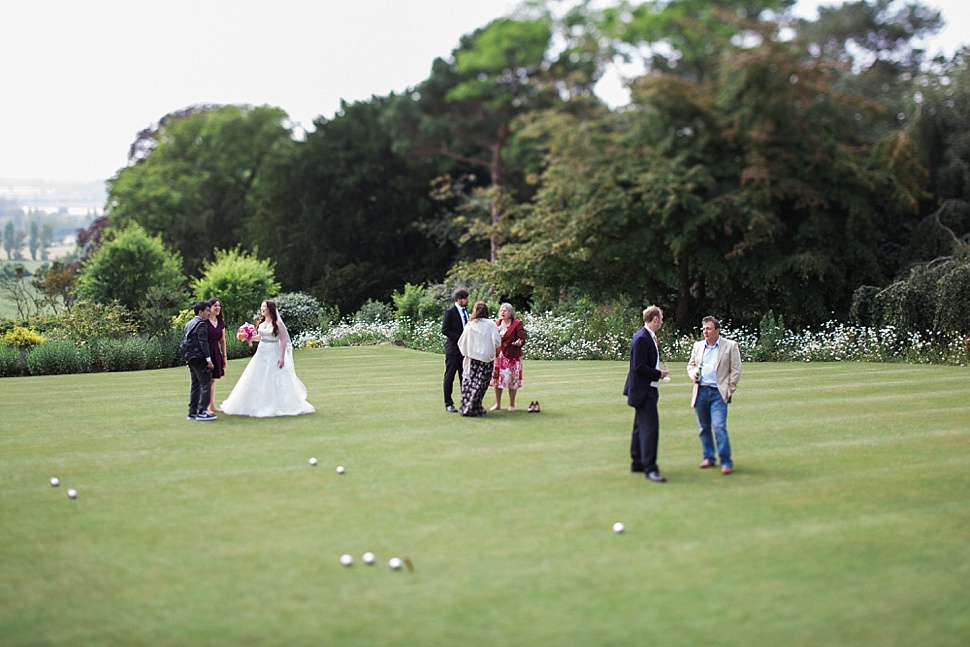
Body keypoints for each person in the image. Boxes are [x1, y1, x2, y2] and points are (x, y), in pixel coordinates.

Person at [220, 299, 315, 418]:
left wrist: (281, 357)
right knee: (256, 376)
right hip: (261, 352)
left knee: (273, 377)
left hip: (273, 351)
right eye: (261, 307)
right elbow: (260, 336)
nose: (262, 309)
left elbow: (283, 340)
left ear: (270, 308)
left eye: (264, 307)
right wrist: (249, 337)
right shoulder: (262, 322)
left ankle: (277, 404)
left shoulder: (277, 323)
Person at [687, 316, 742, 474]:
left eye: (709, 328)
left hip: (718, 393)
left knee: (719, 427)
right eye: (704, 329)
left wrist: (729, 389)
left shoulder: (730, 346)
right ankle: (709, 457)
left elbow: (736, 370)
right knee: (704, 428)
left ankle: (726, 461)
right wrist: (693, 375)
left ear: (717, 330)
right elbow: (691, 365)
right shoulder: (698, 346)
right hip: (701, 391)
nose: (705, 331)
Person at [623, 306, 668, 482]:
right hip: (644, 389)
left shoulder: (647, 337)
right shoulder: (642, 338)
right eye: (661, 318)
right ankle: (650, 468)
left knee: (639, 426)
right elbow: (639, 367)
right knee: (650, 428)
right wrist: (659, 374)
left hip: (643, 388)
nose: (662, 322)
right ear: (655, 319)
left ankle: (637, 461)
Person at [457, 301, 502, 417]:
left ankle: (467, 406)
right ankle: (473, 406)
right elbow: (497, 341)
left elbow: (462, 341)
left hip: (472, 358)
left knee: (470, 382)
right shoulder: (491, 324)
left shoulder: (470, 324)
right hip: (485, 358)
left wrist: (467, 351)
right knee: (481, 384)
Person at [489, 303, 526, 412]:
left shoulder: (517, 323)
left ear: (511, 312)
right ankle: (498, 404)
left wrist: (519, 343)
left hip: (512, 357)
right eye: (501, 310)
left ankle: (512, 404)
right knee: (497, 381)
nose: (502, 312)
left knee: (512, 381)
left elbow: (522, 339)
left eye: (505, 310)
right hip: (499, 356)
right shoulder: (496, 324)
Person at [185, 301, 217, 421]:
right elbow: (203, 342)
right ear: (200, 312)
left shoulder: (189, 324)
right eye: (207, 310)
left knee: (195, 385)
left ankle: (192, 412)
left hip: (190, 358)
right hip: (199, 358)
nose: (209, 313)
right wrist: (209, 359)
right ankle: (202, 411)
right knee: (205, 384)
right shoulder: (201, 324)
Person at [441, 288, 470, 413]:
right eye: (466, 298)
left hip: (466, 350)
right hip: (453, 350)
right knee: (450, 376)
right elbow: (445, 329)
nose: (468, 300)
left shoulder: (467, 312)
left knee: (464, 376)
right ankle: (448, 403)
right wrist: (460, 339)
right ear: (459, 300)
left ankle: (466, 401)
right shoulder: (450, 312)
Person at [205, 297, 228, 415]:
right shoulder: (204, 322)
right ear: (210, 308)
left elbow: (222, 340)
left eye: (219, 306)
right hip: (206, 353)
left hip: (216, 352)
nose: (218, 308)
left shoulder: (221, 322)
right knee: (207, 380)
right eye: (215, 306)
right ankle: (205, 407)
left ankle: (212, 405)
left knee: (213, 380)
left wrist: (224, 357)